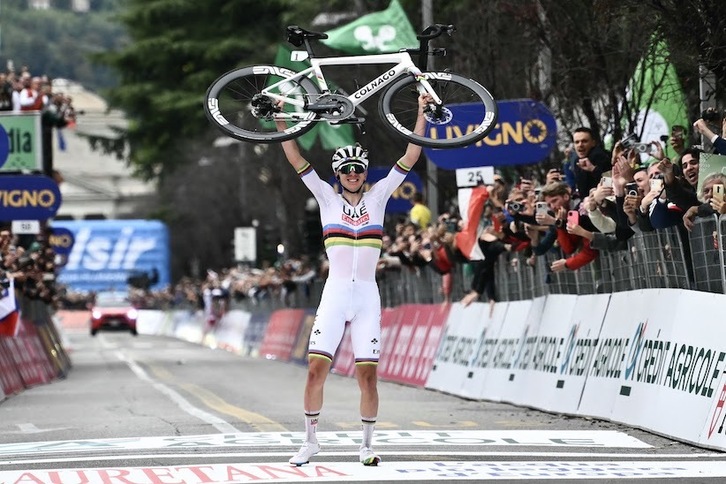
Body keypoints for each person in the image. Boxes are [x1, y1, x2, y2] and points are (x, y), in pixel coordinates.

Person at [276, 94, 430, 467]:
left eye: (358, 169)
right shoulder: (327, 199)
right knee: (316, 371)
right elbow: (296, 158)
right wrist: (281, 121)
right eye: (346, 171)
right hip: (334, 295)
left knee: (368, 376)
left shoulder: (378, 196)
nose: (353, 175)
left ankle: (366, 445)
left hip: (366, 297)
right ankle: (310, 441)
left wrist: (422, 112)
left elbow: (411, 156)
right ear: (338, 175)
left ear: (365, 173)